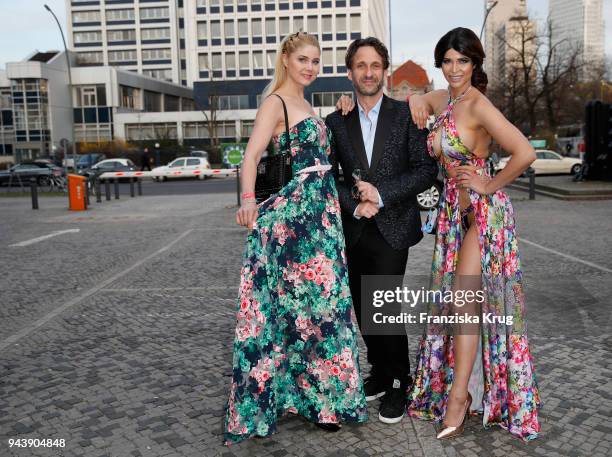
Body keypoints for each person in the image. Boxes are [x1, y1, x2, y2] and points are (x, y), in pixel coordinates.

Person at [224, 31, 368, 445]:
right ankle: (300, 399)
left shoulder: (309, 104)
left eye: (316, 61)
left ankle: (322, 401)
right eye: (303, 59)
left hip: (322, 221)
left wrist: (341, 109)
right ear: (286, 59)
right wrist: (249, 201)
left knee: (321, 313)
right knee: (300, 313)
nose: (309, 67)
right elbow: (252, 155)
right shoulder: (276, 103)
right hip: (294, 225)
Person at [406, 27, 541, 441]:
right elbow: (416, 101)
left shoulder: (478, 105)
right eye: (447, 61)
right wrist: (413, 98)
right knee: (458, 308)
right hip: (453, 215)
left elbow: (525, 152)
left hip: (484, 216)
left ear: (474, 63)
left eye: (462, 61)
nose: (454, 68)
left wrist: (487, 184)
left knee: (465, 307)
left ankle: (459, 398)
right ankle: (464, 393)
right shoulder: (445, 98)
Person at [326, 37, 438, 424]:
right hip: (354, 226)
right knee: (362, 306)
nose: (368, 72)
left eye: (375, 65)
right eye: (361, 65)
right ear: (350, 71)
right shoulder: (335, 121)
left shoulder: (407, 115)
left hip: (393, 225)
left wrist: (382, 195)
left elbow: (425, 170)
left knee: (383, 306)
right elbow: (329, 177)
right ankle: (380, 371)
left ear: (384, 70)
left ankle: (399, 382)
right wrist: (354, 203)